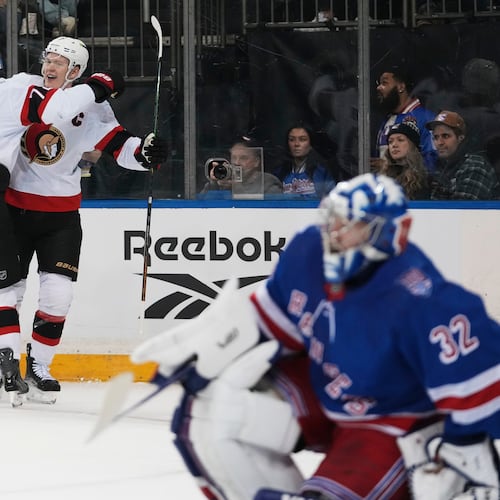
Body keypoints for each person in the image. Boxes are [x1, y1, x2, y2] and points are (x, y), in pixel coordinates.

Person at [132, 172, 500, 500]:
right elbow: (266, 324)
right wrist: (210, 354)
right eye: (333, 220)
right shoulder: (309, 251)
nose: (335, 233)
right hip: (326, 387)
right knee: (208, 409)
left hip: (391, 423)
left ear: (385, 232)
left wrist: (459, 450)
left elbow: (481, 392)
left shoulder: (425, 300)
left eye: (349, 224)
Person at [0, 36, 168, 404]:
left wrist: (145, 153)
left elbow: (119, 146)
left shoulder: (92, 108)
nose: (49, 67)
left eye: (60, 63)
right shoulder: (20, 89)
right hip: (12, 209)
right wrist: (96, 86)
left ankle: (40, 365)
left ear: (74, 71)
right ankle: (8, 361)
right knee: (8, 291)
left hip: (60, 215)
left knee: (59, 295)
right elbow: (50, 113)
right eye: (48, 59)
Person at [374, 65, 437, 173]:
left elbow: (432, 160)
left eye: (384, 83)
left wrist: (390, 167)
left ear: (401, 87)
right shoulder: (387, 120)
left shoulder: (426, 118)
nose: (378, 88)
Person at [426, 110, 498, 200]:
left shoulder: (475, 165)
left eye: (445, 136)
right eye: (436, 137)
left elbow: (463, 210)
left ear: (460, 138)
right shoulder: (439, 167)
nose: (439, 143)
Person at [199, 138, 282, 199]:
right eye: (234, 157)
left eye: (243, 158)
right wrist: (214, 184)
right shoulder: (225, 178)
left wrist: (236, 188)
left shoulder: (269, 182)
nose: (237, 162)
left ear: (256, 161)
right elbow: (201, 205)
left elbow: (269, 211)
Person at [273, 124, 336, 199]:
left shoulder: (322, 171)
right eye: (292, 140)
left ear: (311, 144)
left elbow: (332, 199)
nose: (296, 144)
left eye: (302, 139)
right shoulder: (280, 172)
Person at [372, 119, 430, 199]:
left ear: (412, 145)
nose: (394, 145)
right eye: (390, 142)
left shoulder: (425, 179)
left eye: (400, 140)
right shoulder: (382, 178)